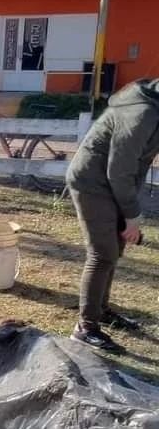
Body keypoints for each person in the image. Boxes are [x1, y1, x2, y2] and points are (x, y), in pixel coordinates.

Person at [66, 79, 159, 354]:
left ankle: (101, 310)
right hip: (92, 183)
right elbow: (119, 170)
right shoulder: (142, 114)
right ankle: (85, 327)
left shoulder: (154, 106)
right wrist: (132, 215)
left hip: (111, 184)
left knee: (114, 248)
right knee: (102, 253)